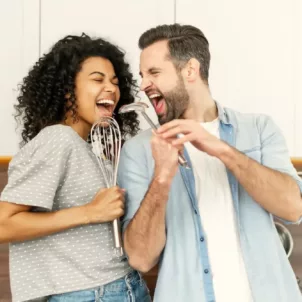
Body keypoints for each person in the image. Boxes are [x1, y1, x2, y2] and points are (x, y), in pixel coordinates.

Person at [117, 24, 302, 302]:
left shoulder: (259, 129)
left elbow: (293, 208)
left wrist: (222, 150)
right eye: (143, 75)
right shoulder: (138, 150)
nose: (143, 85)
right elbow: (141, 258)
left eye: (154, 72)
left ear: (190, 70)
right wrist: (162, 177)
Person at [0, 33, 151, 302]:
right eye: (98, 79)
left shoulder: (92, 145)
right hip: (90, 293)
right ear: (67, 89)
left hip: (121, 286)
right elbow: (3, 224)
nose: (112, 89)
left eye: (115, 82)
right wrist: (90, 212)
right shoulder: (58, 138)